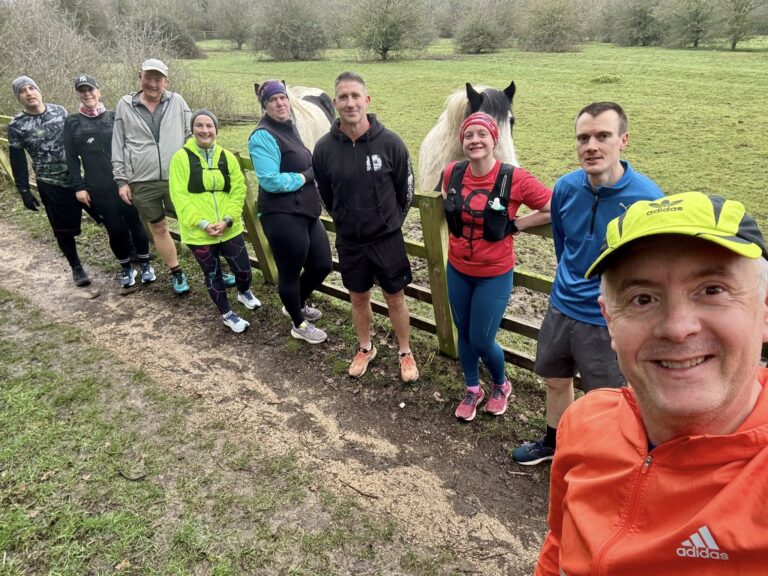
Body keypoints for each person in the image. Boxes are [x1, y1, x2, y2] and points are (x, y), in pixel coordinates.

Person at [536, 191, 768, 575]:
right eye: (642, 299)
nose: (677, 328)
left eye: (712, 290)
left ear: (763, 311)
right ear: (609, 320)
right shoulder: (583, 422)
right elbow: (557, 546)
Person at [512, 102, 664, 465]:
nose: (591, 146)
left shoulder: (648, 199)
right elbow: (564, 245)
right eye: (583, 138)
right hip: (561, 306)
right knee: (555, 380)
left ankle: (603, 458)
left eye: (602, 136)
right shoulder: (565, 187)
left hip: (607, 319)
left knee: (608, 398)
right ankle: (555, 442)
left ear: (622, 141)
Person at [441, 112, 552, 421]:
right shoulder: (452, 172)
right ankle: (473, 388)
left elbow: (552, 207)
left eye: (481, 135)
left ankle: (502, 384)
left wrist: (516, 223)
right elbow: (445, 200)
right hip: (458, 270)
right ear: (462, 141)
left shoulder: (514, 178)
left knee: (481, 338)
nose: (474, 140)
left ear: (494, 140)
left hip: (493, 275)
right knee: (463, 332)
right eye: (468, 135)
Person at [313, 71, 418, 382]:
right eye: (343, 97)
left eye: (355, 96)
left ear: (367, 100)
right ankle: (365, 347)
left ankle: (404, 351)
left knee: (395, 296)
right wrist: (346, 219)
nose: (350, 103)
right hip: (350, 240)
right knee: (358, 297)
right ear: (335, 103)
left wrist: (390, 222)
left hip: (386, 239)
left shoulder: (391, 143)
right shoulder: (324, 148)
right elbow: (326, 195)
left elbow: (406, 190)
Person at [248, 80, 332, 344]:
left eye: (283, 98)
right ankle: (298, 322)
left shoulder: (289, 128)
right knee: (290, 271)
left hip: (305, 211)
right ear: (265, 105)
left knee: (322, 264)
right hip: (281, 215)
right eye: (273, 100)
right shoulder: (262, 135)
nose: (280, 104)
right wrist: (306, 177)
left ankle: (295, 303)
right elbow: (270, 180)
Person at [169, 110, 261, 333]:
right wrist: (202, 223)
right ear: (192, 129)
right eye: (199, 125)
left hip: (229, 228)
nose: (204, 130)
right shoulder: (180, 159)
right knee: (213, 274)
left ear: (216, 130)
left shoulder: (226, 157)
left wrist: (228, 219)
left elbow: (238, 189)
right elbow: (179, 197)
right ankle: (227, 314)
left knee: (244, 270)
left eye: (209, 126)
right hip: (199, 232)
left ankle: (243, 291)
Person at [63, 74, 154, 288]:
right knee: (115, 229)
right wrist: (80, 187)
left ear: (98, 91)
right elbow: (71, 157)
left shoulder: (115, 117)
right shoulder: (73, 122)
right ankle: (126, 268)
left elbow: (133, 146)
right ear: (78, 94)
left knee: (136, 224)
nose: (87, 94)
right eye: (82, 91)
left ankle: (145, 264)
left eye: (90, 89)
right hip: (98, 187)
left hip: (125, 183)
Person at [7, 76, 97, 286]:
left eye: (32, 88)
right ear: (19, 97)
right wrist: (23, 190)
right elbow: (17, 160)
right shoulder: (17, 125)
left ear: (39, 91)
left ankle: (128, 253)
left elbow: (78, 141)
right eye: (23, 91)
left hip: (78, 178)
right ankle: (76, 267)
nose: (29, 93)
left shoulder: (60, 112)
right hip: (50, 183)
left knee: (104, 213)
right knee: (63, 230)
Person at [112, 58, 192, 295]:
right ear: (140, 77)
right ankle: (176, 272)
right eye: (149, 78)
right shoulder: (125, 105)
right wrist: (121, 180)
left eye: (158, 79)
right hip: (142, 180)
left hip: (177, 177)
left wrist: (190, 167)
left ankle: (212, 267)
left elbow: (189, 134)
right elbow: (118, 143)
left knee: (193, 221)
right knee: (158, 226)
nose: (153, 84)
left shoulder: (177, 101)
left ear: (166, 81)